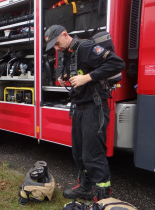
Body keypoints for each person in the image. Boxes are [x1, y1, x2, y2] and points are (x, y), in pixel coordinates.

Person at [44, 25, 125, 201]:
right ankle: (85, 187)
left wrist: (87, 77)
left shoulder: (87, 47)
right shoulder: (68, 53)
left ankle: (103, 196)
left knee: (93, 154)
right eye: (54, 47)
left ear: (65, 35)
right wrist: (64, 78)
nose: (57, 49)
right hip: (79, 108)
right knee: (79, 153)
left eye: (57, 44)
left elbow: (117, 63)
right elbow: (77, 71)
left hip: (94, 108)